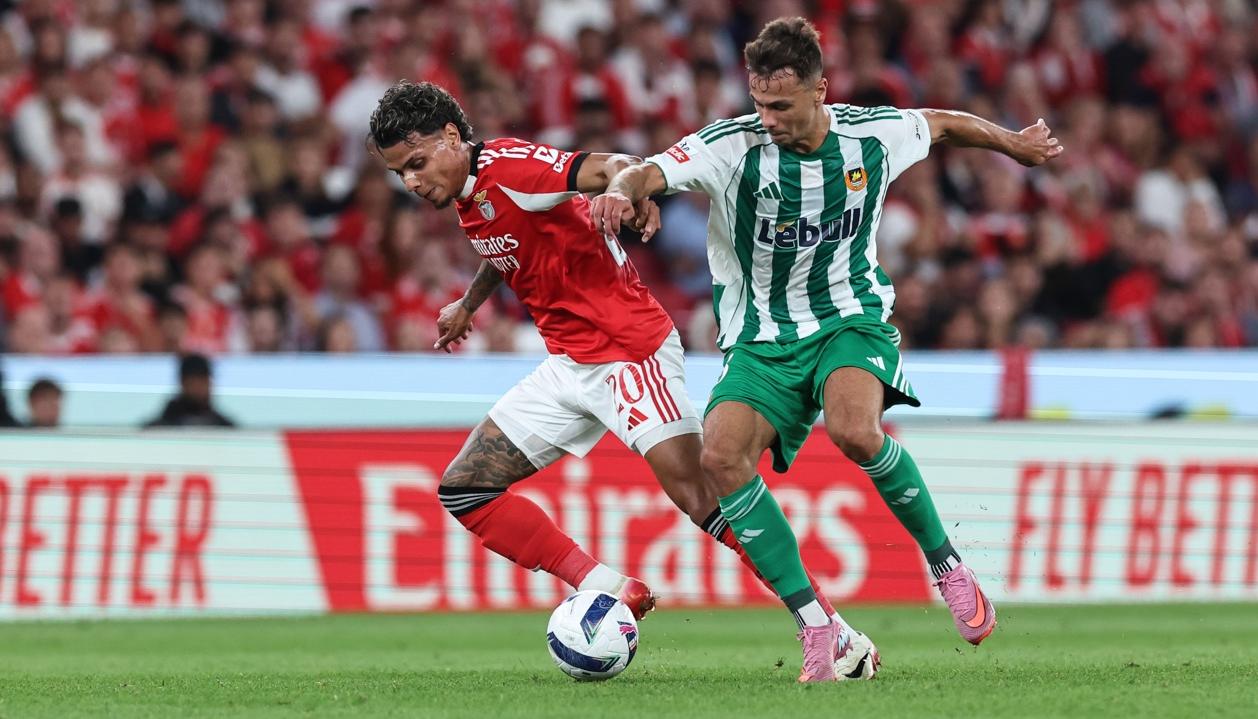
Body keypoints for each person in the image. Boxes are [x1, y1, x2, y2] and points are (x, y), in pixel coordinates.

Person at [592, 16, 1063, 676]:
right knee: (721, 457)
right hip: (761, 341)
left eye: (781, 105)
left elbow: (945, 123)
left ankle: (947, 565)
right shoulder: (733, 147)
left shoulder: (870, 136)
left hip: (850, 319)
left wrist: (1013, 143)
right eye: (759, 103)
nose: (768, 117)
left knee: (854, 430)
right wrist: (619, 190)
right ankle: (816, 623)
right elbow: (648, 171)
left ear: (820, 90)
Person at [368, 80, 877, 682]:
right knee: (465, 490)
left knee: (703, 498)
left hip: (630, 353)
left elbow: (616, 164)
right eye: (400, 173)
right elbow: (507, 244)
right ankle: (605, 587)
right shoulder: (469, 193)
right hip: (568, 365)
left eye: (417, 163)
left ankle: (835, 631)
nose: (411, 182)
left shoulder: (514, 167)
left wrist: (622, 190)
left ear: (452, 138)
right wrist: (470, 303)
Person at [144, 353, 236, 427]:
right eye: (195, 382)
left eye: (205, 382)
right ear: (183, 383)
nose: (200, 388)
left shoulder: (222, 426)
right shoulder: (162, 427)